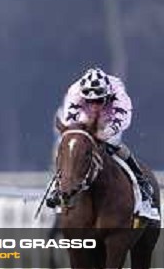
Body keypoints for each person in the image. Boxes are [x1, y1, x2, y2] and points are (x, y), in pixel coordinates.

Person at [46, 67, 157, 217]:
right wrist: (79, 134)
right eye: (90, 101)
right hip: (84, 118)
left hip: (109, 117)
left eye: (98, 100)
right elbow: (70, 122)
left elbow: (123, 119)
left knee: (115, 145)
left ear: (107, 94)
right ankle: (57, 187)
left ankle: (143, 188)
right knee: (71, 147)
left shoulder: (118, 92)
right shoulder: (74, 92)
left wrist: (103, 133)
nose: (94, 105)